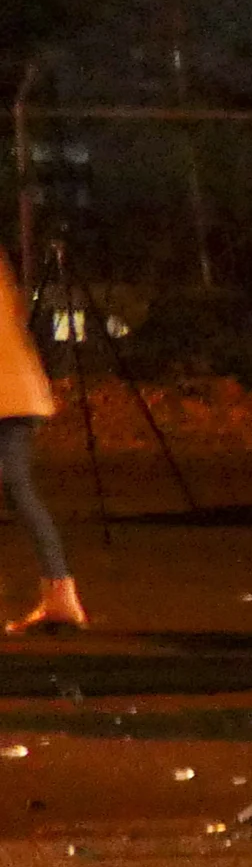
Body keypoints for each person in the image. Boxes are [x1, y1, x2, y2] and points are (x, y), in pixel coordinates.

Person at [0, 246, 81, 633]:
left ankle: (61, 596)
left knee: (17, 488)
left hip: (9, 395)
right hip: (20, 392)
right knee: (18, 490)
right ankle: (60, 596)